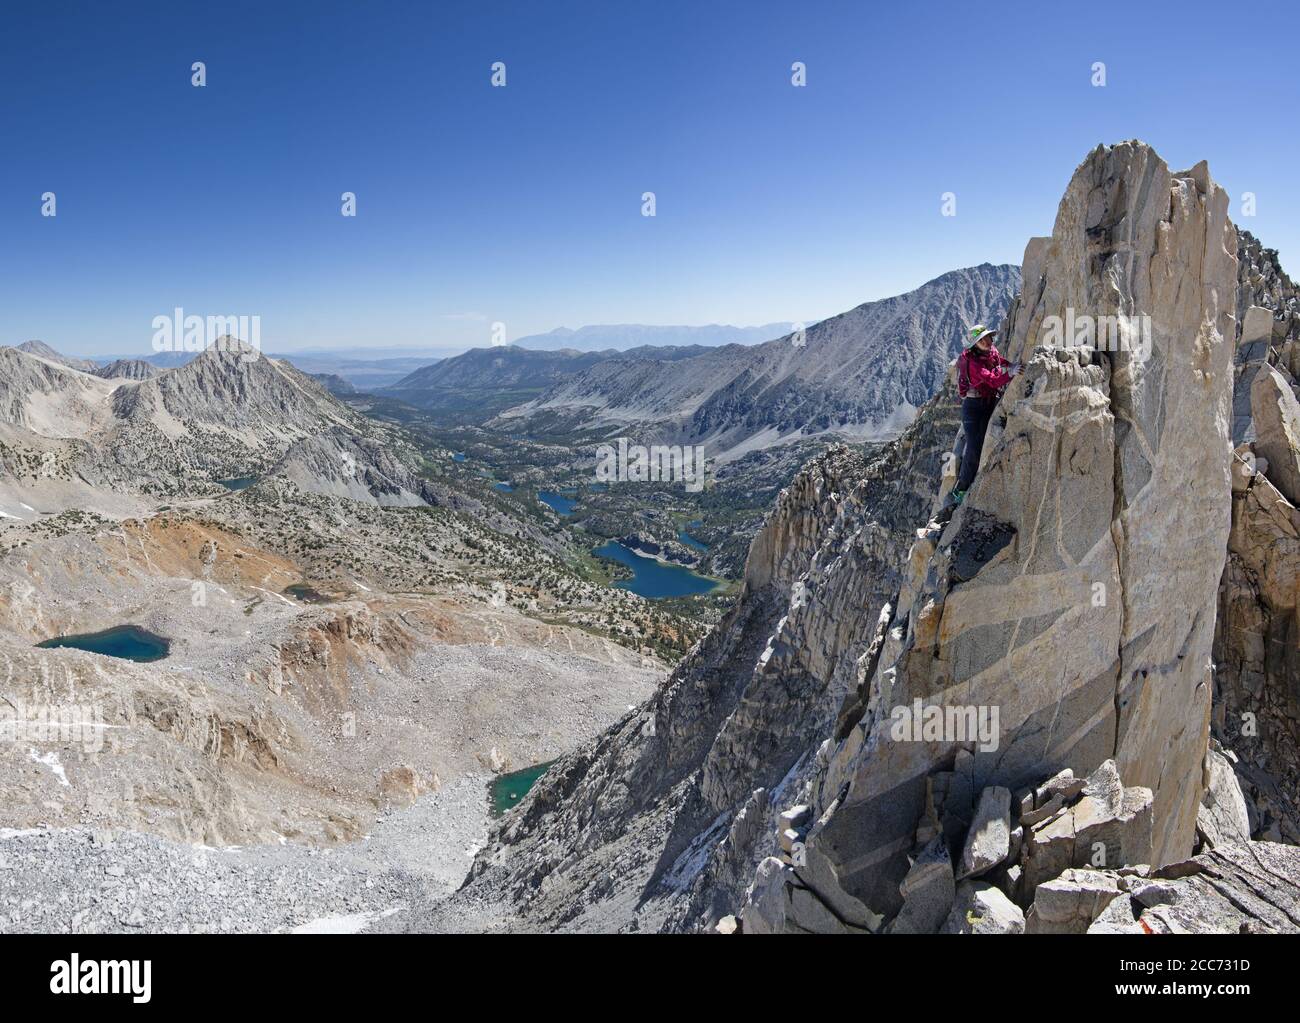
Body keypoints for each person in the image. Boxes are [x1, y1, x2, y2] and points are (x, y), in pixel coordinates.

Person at [951, 325, 1020, 505]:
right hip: (973, 408)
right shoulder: (973, 363)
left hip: (988, 402)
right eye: (982, 340)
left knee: (989, 438)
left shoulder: (990, 351)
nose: (988, 341)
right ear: (975, 344)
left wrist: (1009, 365)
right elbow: (992, 380)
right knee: (974, 447)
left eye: (988, 337)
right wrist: (1011, 373)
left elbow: (998, 359)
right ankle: (962, 488)